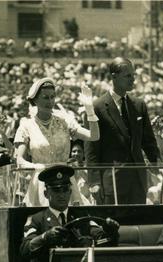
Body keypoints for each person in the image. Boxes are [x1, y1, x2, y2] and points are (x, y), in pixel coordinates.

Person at [14, 77, 99, 206]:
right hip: (41, 181)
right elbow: (19, 160)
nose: (50, 101)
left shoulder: (64, 121)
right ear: (35, 100)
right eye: (45, 97)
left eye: (52, 97)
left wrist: (89, 109)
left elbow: (94, 136)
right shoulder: (26, 126)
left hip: (65, 179)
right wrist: (36, 167)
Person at [84, 57, 159, 204]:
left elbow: (148, 141)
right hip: (112, 182)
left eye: (133, 75)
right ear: (114, 77)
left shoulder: (139, 105)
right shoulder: (97, 108)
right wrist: (94, 182)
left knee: (138, 225)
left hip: (138, 181)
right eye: (128, 76)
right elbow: (91, 149)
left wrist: (156, 162)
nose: (133, 80)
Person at [20, 165, 118, 262]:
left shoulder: (82, 217)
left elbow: (100, 238)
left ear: (70, 192)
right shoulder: (36, 219)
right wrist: (45, 237)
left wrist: (110, 231)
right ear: (46, 194)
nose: (61, 195)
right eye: (56, 190)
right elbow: (26, 249)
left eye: (65, 189)